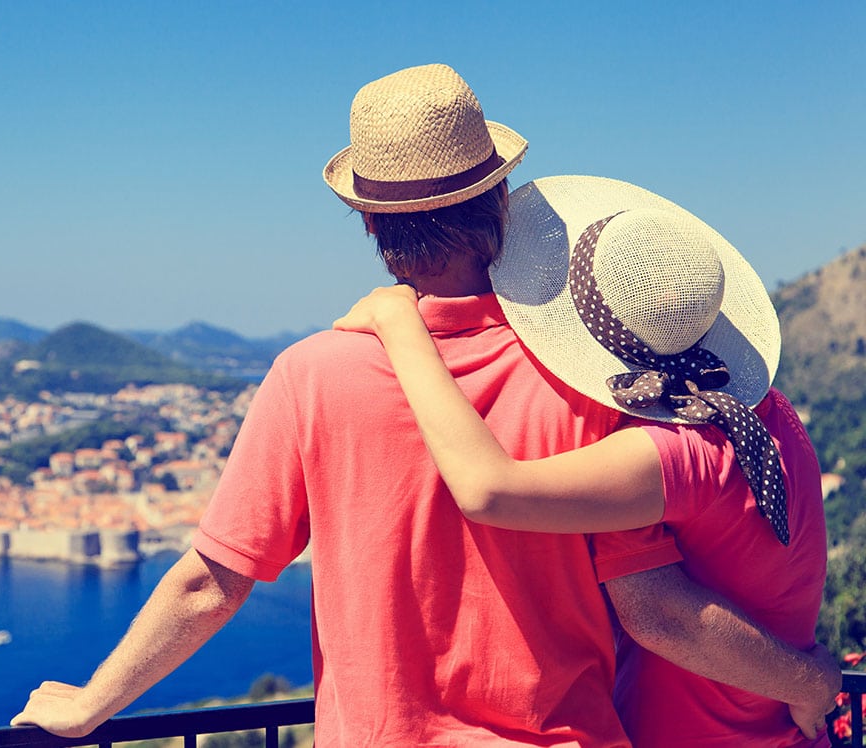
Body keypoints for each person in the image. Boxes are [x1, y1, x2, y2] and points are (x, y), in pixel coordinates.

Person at [12, 65, 836, 746]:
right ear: (503, 202)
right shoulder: (592, 384)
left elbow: (210, 586)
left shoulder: (311, 376)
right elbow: (654, 601)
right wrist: (805, 679)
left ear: (368, 220)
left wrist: (93, 703)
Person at [333, 174, 838, 746]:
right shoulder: (767, 413)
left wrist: (401, 323)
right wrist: (808, 680)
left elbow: (489, 490)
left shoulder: (665, 450)